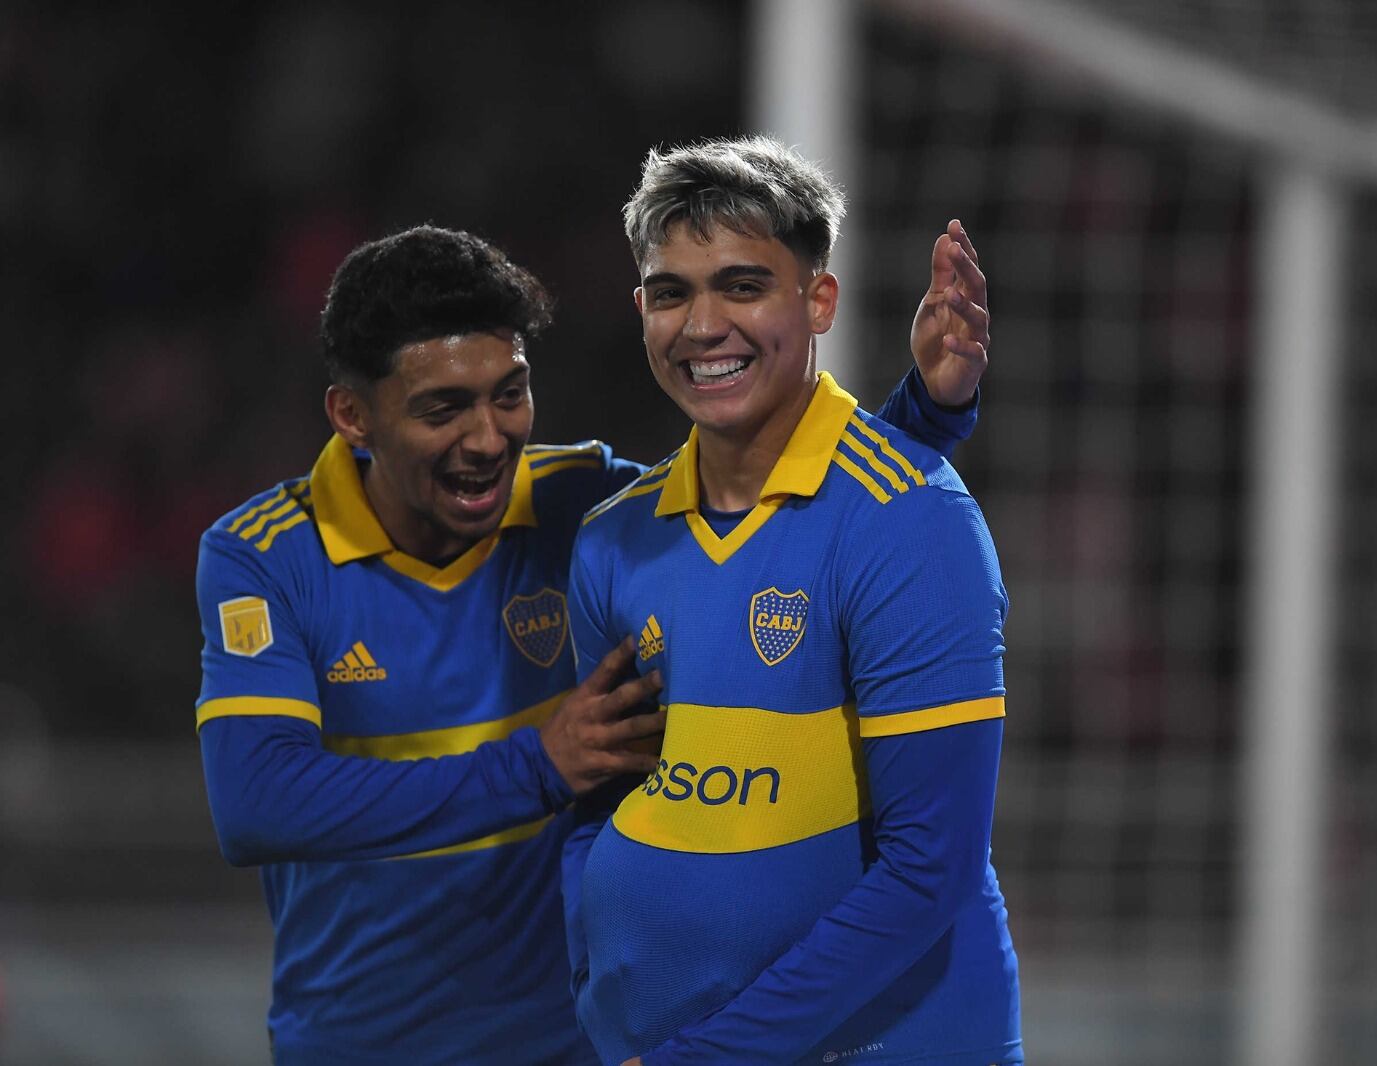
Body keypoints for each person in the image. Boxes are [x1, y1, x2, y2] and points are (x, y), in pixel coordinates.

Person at [194, 222, 990, 1064]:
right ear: (353, 415)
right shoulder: (267, 553)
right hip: (363, 1045)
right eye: (443, 409)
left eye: (509, 394)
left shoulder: (581, 503)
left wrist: (925, 414)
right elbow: (257, 803)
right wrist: (536, 768)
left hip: (574, 1043)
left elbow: (775, 513)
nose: (489, 438)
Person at [564, 136, 1020, 1065]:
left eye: (742, 285)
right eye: (671, 291)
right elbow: (600, 797)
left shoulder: (912, 519)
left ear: (818, 300)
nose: (702, 325)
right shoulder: (613, 539)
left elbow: (928, 872)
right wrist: (596, 974)